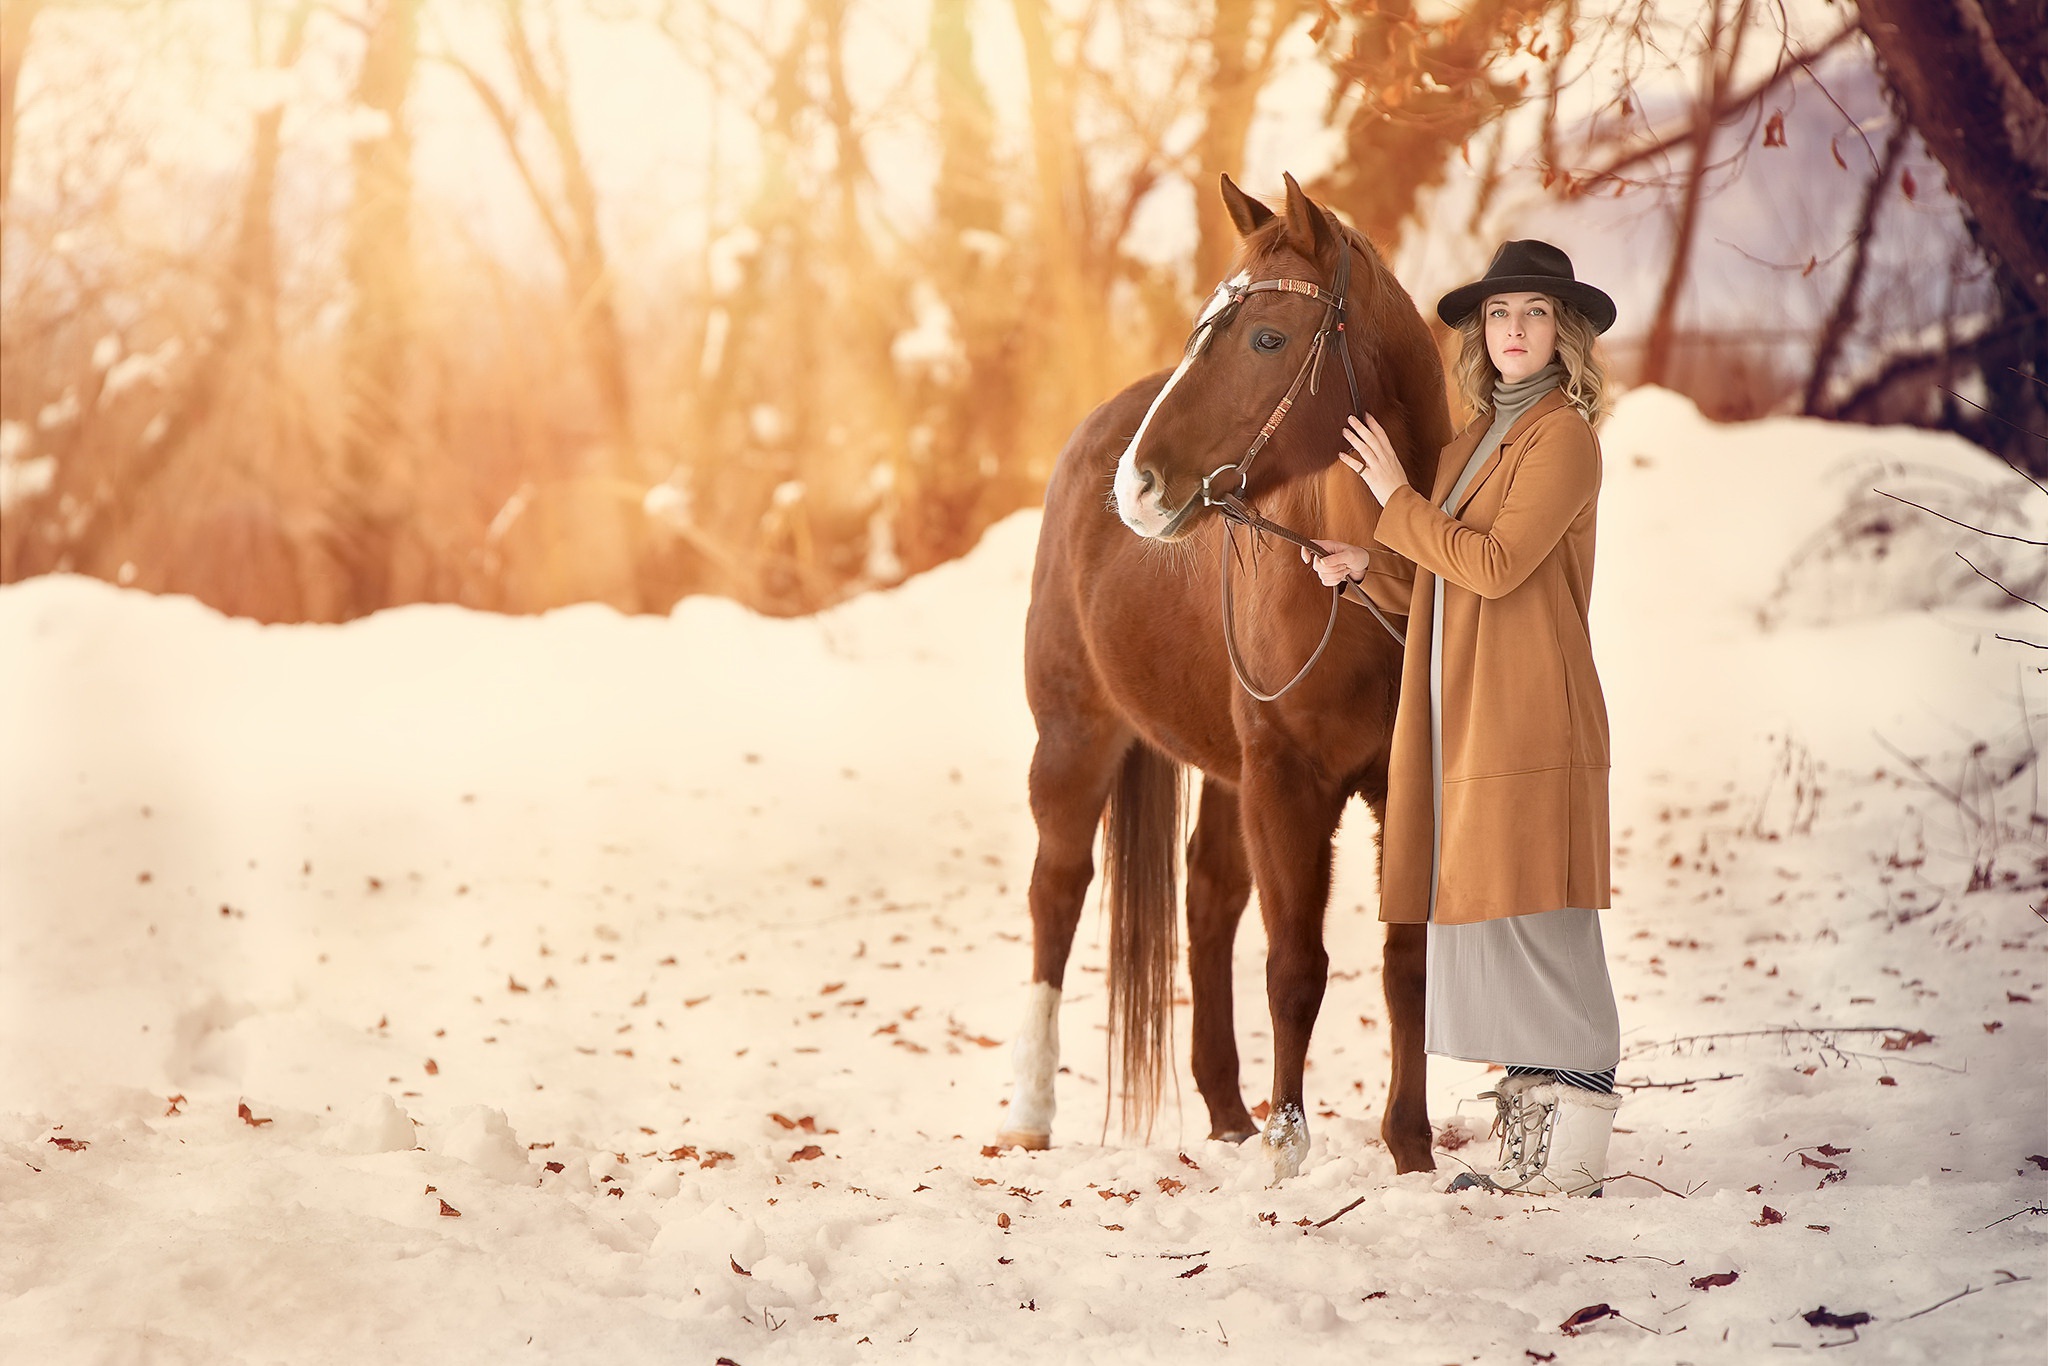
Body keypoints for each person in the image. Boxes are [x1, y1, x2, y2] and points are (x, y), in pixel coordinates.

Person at [1302, 239, 1622, 1197]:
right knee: (1499, 914)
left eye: (1532, 313)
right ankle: (1541, 1149)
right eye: (1498, 315)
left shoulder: (1563, 437)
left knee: (1544, 912)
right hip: (1466, 709)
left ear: (1562, 334)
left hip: (1529, 709)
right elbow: (1441, 580)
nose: (1513, 330)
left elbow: (1492, 565)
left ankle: (1574, 1144)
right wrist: (1372, 563)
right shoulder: (1473, 440)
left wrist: (1394, 499)